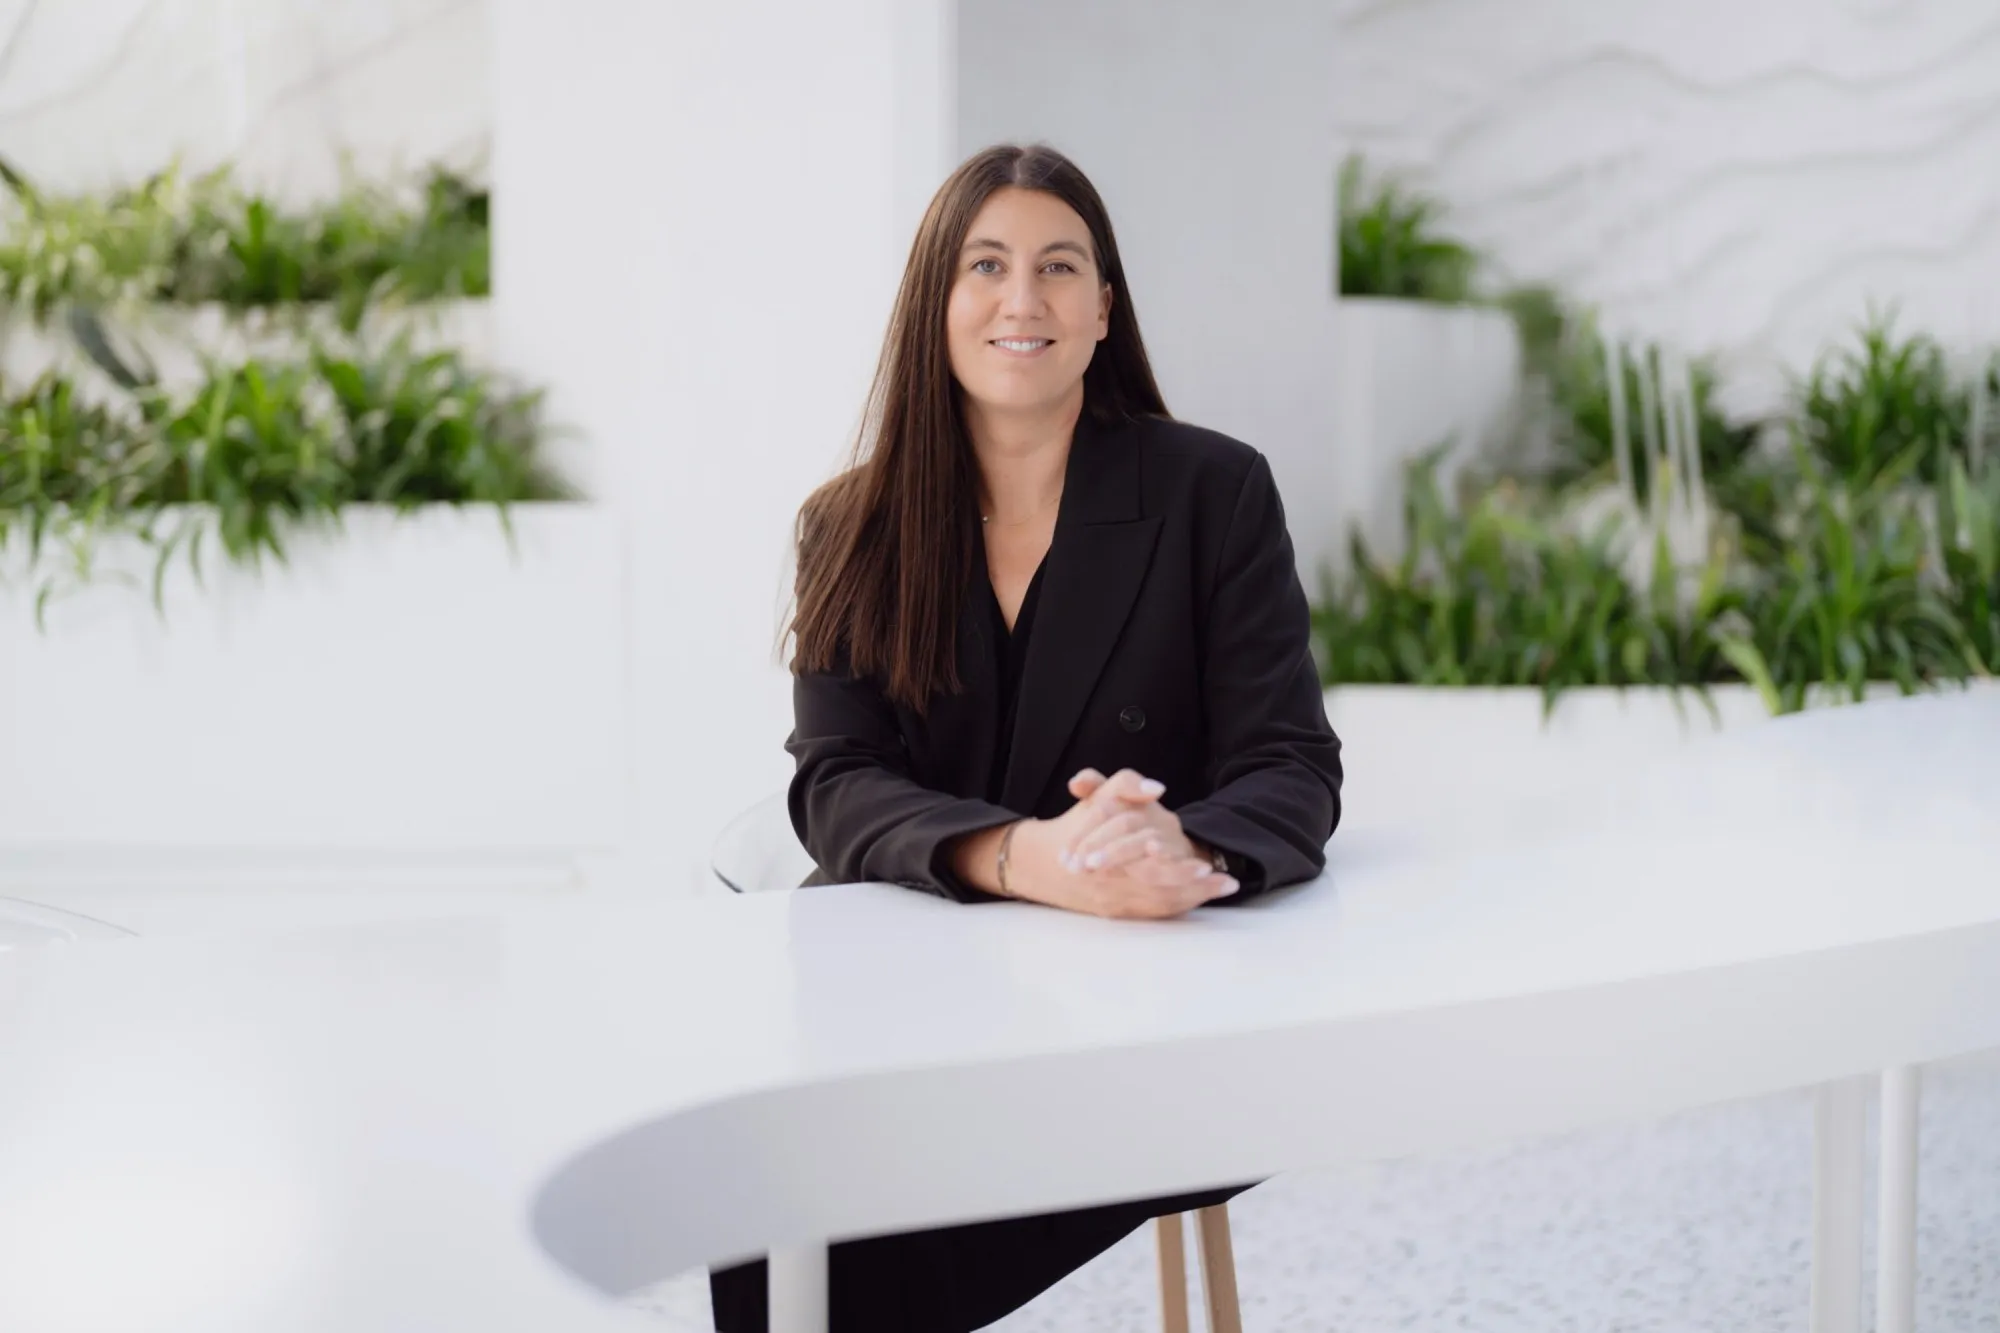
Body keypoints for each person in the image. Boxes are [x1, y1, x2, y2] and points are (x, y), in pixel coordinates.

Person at [709, 142, 1342, 1332]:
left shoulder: (1215, 491)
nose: (1022, 299)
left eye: (1059, 267)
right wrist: (1020, 857)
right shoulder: (848, 526)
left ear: (1104, 309)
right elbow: (836, 780)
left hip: (1147, 1019)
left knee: (854, 1244)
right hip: (911, 1006)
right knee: (769, 1185)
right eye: (985, 265)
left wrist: (1176, 851)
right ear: (934, 306)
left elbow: (1290, 762)